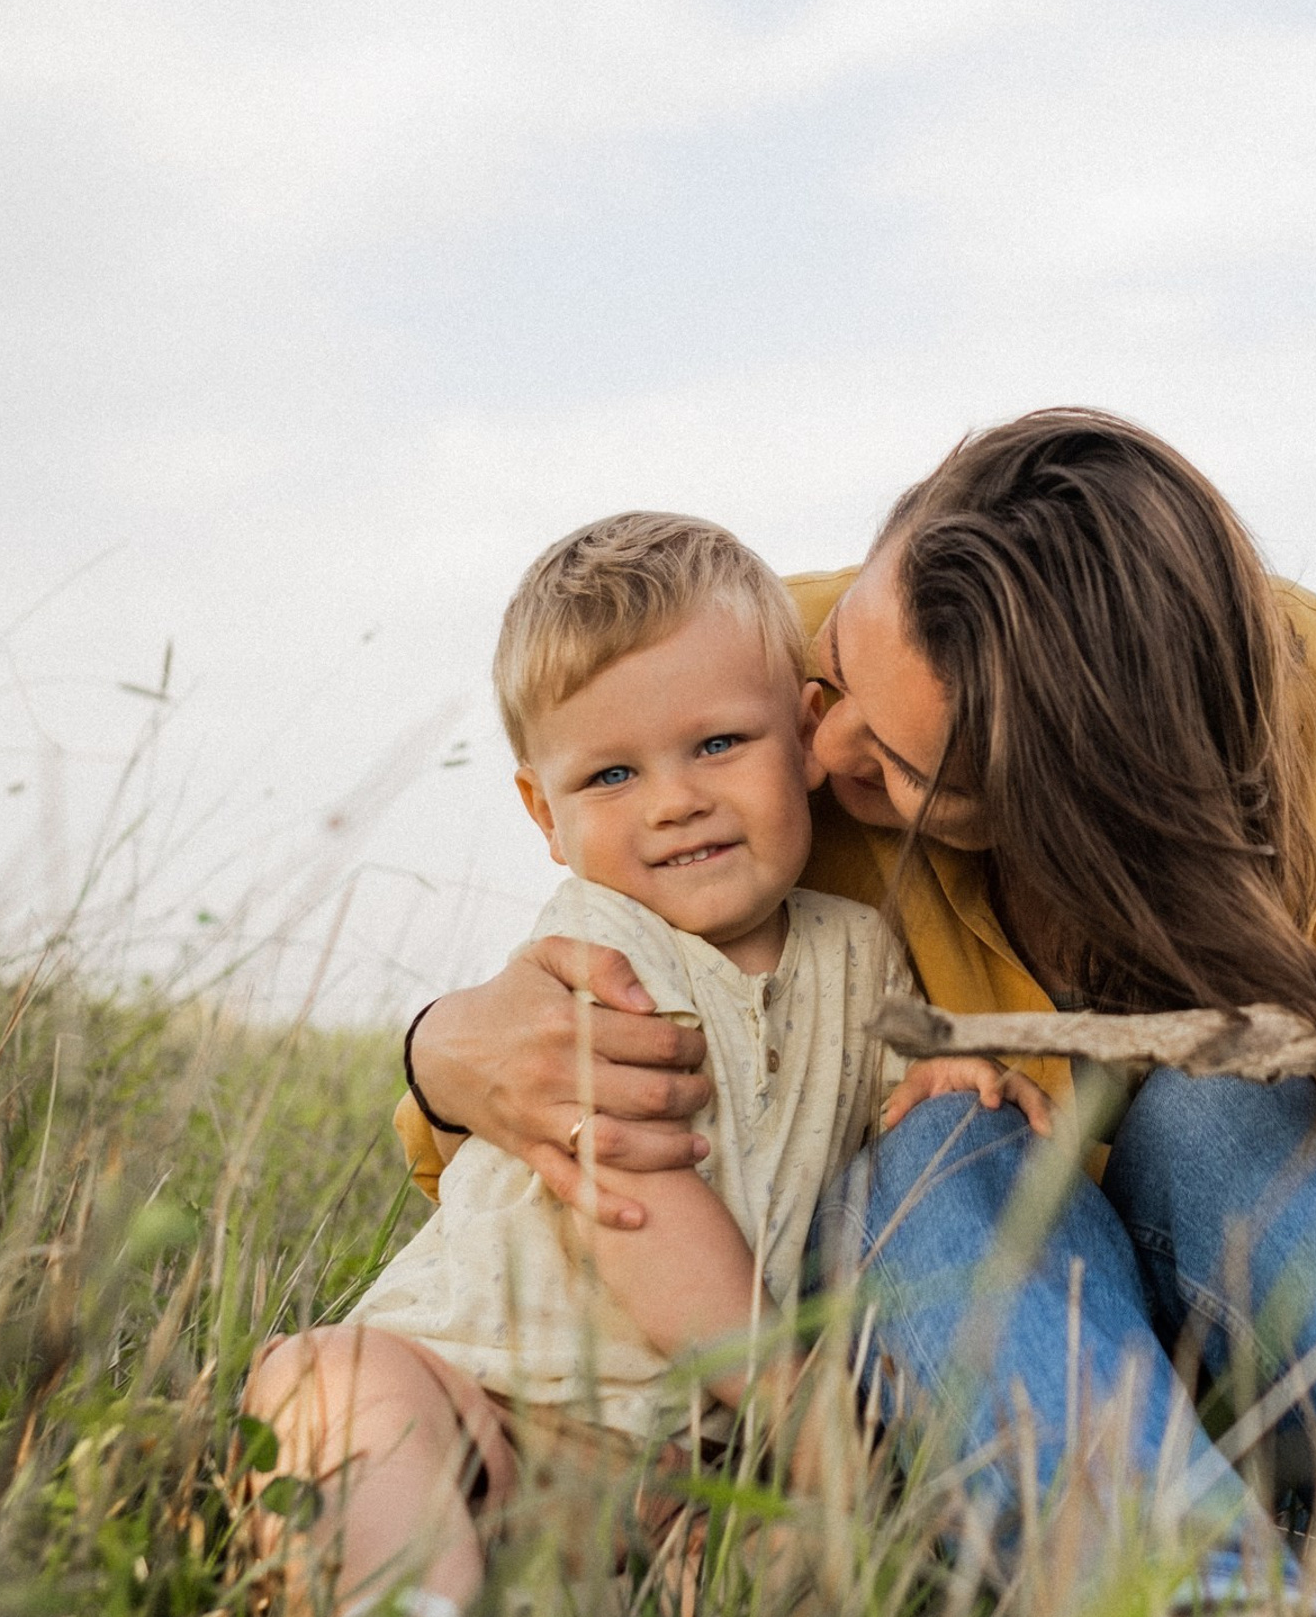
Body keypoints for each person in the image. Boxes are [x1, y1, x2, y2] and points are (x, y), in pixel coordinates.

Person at [399, 412, 1316, 1614]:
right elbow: (559, 1072)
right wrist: (444, 1054)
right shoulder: (745, 683)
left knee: (1230, 1105)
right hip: (972, 1352)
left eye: (909, 768)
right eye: (839, 674)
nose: (820, 749)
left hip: (1228, 1339)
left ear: (1078, 811)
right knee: (926, 1154)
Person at [243, 512, 1053, 1616]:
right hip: (489, 1403)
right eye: (613, 774)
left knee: (805, 1559)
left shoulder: (863, 952)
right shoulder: (603, 948)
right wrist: (790, 1400)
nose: (674, 800)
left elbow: (886, 1124)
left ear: (806, 734)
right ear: (546, 812)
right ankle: (401, 1596)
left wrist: (940, 1087)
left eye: (718, 744)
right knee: (331, 1386)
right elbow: (632, 1192)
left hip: (680, 1472)